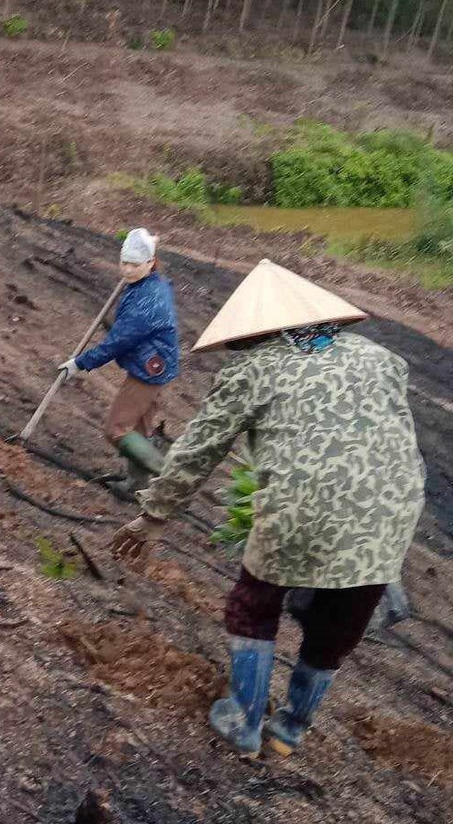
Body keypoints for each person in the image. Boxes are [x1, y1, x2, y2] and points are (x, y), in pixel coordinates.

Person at [110, 260, 426, 758]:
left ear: (254, 333)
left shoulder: (252, 368)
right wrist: (385, 538)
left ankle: (244, 719)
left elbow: (197, 451)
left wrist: (153, 516)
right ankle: (292, 727)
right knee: (338, 624)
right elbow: (396, 441)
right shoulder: (381, 359)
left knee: (253, 605)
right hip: (394, 509)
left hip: (300, 504)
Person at [57, 228, 180, 498]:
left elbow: (117, 343)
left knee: (117, 429)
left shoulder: (148, 301)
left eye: (135, 265)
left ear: (150, 263)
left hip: (148, 371)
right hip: (159, 363)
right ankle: (137, 487)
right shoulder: (151, 283)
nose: (127, 269)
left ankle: (171, 482)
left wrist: (79, 363)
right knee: (139, 429)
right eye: (124, 263)